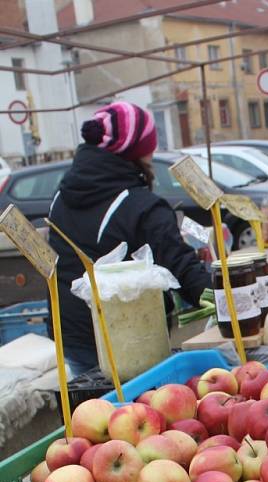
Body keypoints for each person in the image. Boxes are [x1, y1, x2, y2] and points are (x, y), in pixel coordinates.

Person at [49, 101, 211, 376]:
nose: (153, 151)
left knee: (94, 410)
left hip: (71, 335)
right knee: (130, 410)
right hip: (128, 343)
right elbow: (183, 271)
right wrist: (228, 295)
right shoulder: (142, 206)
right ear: (136, 150)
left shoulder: (61, 196)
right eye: (150, 144)